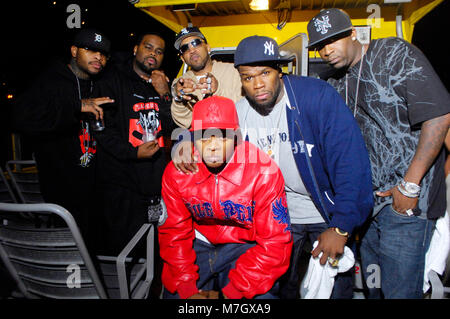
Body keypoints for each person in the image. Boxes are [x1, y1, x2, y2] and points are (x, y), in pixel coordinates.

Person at [174, 35, 373, 299]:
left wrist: (341, 227)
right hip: (276, 222)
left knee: (333, 291)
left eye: (265, 73)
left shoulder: (315, 97)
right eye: (247, 77)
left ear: (279, 71)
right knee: (281, 290)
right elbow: (214, 140)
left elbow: (351, 164)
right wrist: (185, 141)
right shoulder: (241, 111)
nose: (257, 85)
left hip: (326, 214)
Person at [307, 8, 450, 298]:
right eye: (320, 46)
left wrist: (410, 184)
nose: (326, 50)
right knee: (375, 290)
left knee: (400, 293)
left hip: (407, 203)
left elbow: (438, 116)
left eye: (333, 40)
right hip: (367, 206)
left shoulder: (393, 53)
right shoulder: (334, 81)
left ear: (352, 34)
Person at [159, 95, 292, 299]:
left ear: (236, 136)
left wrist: (231, 294)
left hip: (245, 247)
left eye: (222, 135)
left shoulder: (263, 172)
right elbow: (174, 234)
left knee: (260, 298)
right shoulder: (178, 171)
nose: (213, 146)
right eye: (204, 136)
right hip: (197, 244)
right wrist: (186, 288)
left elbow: (275, 243)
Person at [12, 28, 112, 245]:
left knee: (99, 255)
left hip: (99, 191)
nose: (99, 57)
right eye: (91, 50)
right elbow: (21, 118)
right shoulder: (50, 80)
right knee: (72, 257)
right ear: (74, 51)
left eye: (104, 53)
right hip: (64, 194)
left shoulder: (101, 83)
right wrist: (76, 106)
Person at [93, 32, 175, 255]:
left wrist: (165, 94)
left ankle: (150, 287)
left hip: (153, 182)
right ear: (135, 49)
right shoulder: (111, 81)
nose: (153, 54)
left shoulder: (160, 84)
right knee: (124, 246)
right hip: (121, 182)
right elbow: (102, 131)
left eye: (159, 52)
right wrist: (132, 153)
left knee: (153, 243)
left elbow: (170, 127)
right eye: (148, 48)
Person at [170, 26, 243, 129]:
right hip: (202, 141)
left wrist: (218, 90)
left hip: (234, 138)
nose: (192, 50)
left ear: (208, 47)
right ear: (182, 58)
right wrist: (179, 99)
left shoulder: (232, 71)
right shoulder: (182, 83)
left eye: (196, 43)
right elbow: (184, 122)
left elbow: (245, 109)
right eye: (185, 48)